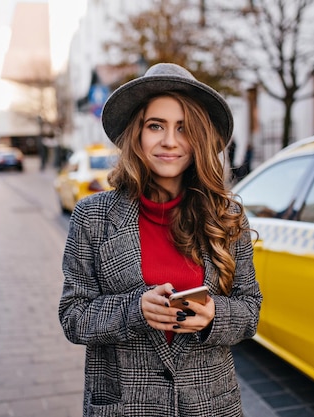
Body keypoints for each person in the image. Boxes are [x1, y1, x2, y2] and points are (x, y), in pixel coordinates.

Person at [58, 63, 262, 417]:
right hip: (124, 406)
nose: (169, 141)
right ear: (136, 134)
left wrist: (215, 315)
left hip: (210, 406)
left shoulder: (226, 216)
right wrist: (134, 309)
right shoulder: (93, 217)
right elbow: (74, 317)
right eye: (156, 126)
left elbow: (251, 309)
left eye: (184, 128)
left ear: (199, 138)